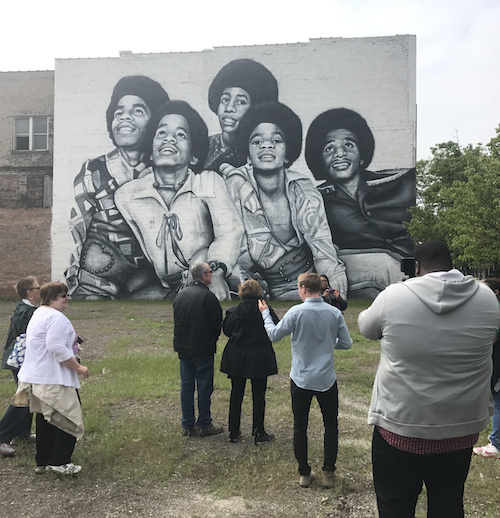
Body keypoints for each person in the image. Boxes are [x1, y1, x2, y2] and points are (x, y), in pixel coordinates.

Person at [357, 241, 500, 518]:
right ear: (451, 264)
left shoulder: (393, 296)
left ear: (417, 267)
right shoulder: (487, 299)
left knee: (395, 506)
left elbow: (366, 326)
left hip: (401, 426)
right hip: (461, 429)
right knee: (448, 503)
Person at [115, 100, 244, 301]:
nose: (169, 139)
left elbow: (230, 232)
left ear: (193, 156)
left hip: (213, 274)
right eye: (161, 133)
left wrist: (215, 272)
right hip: (169, 286)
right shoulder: (127, 196)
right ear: (150, 149)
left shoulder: (207, 181)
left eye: (181, 135)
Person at [221, 101, 347, 300]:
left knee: (383, 266)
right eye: (256, 141)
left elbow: (323, 250)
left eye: (276, 140)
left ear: (287, 152)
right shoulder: (235, 188)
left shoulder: (303, 188)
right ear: (248, 155)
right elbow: (235, 251)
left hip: (314, 278)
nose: (266, 145)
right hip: (272, 289)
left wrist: (337, 293)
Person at [66, 75, 170, 299]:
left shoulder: (166, 170)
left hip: (148, 281)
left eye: (137, 111)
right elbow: (77, 231)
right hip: (96, 280)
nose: (125, 117)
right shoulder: (91, 170)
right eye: (118, 112)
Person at [305, 108, 415, 298]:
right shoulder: (316, 200)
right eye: (329, 148)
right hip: (368, 273)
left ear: (362, 153)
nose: (339, 154)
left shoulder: (398, 180)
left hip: (411, 266)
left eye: (348, 145)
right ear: (320, 159)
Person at [258, 273, 352, 488]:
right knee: (331, 426)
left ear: (302, 288)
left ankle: (304, 473)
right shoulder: (333, 313)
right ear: (319, 288)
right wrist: (327, 344)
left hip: (300, 379)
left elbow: (273, 335)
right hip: (326, 379)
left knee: (300, 426)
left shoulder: (296, 312)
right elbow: (346, 343)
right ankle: (329, 472)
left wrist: (265, 314)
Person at [16, 282, 90, 475]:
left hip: (38, 376)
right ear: (50, 298)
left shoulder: (39, 313)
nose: (67, 298)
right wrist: (79, 367)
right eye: (62, 295)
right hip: (53, 378)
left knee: (46, 418)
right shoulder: (56, 317)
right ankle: (60, 461)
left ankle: (43, 460)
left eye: (67, 294)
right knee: (68, 416)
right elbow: (56, 347)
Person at [220, 279, 279, 444]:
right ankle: (258, 432)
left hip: (237, 355)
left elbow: (227, 331)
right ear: (259, 292)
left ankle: (234, 431)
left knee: (236, 394)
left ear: (241, 292)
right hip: (259, 355)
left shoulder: (233, 311)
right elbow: (275, 328)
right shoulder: (265, 311)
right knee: (259, 395)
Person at [173, 262, 223, 437]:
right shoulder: (208, 297)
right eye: (210, 272)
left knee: (186, 385)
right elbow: (217, 324)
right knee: (203, 385)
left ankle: (187, 424)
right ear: (203, 276)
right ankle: (204, 423)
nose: (212, 275)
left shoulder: (180, 295)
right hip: (202, 349)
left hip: (183, 348)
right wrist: (211, 340)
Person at [205, 59, 278, 172]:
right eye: (225, 100)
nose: (229, 108)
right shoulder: (201, 148)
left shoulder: (263, 151)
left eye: (240, 102)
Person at [0, 277, 40, 456]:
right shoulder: (28, 311)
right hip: (21, 360)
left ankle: (21, 434)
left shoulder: (24, 308)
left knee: (29, 397)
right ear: (29, 293)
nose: (40, 290)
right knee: (23, 398)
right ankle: (2, 437)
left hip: (19, 359)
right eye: (37, 288)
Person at [473, 277, 500, 459]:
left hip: (498, 364)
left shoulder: (495, 310)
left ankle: (495, 444)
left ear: (496, 292)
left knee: (497, 403)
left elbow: (492, 339)